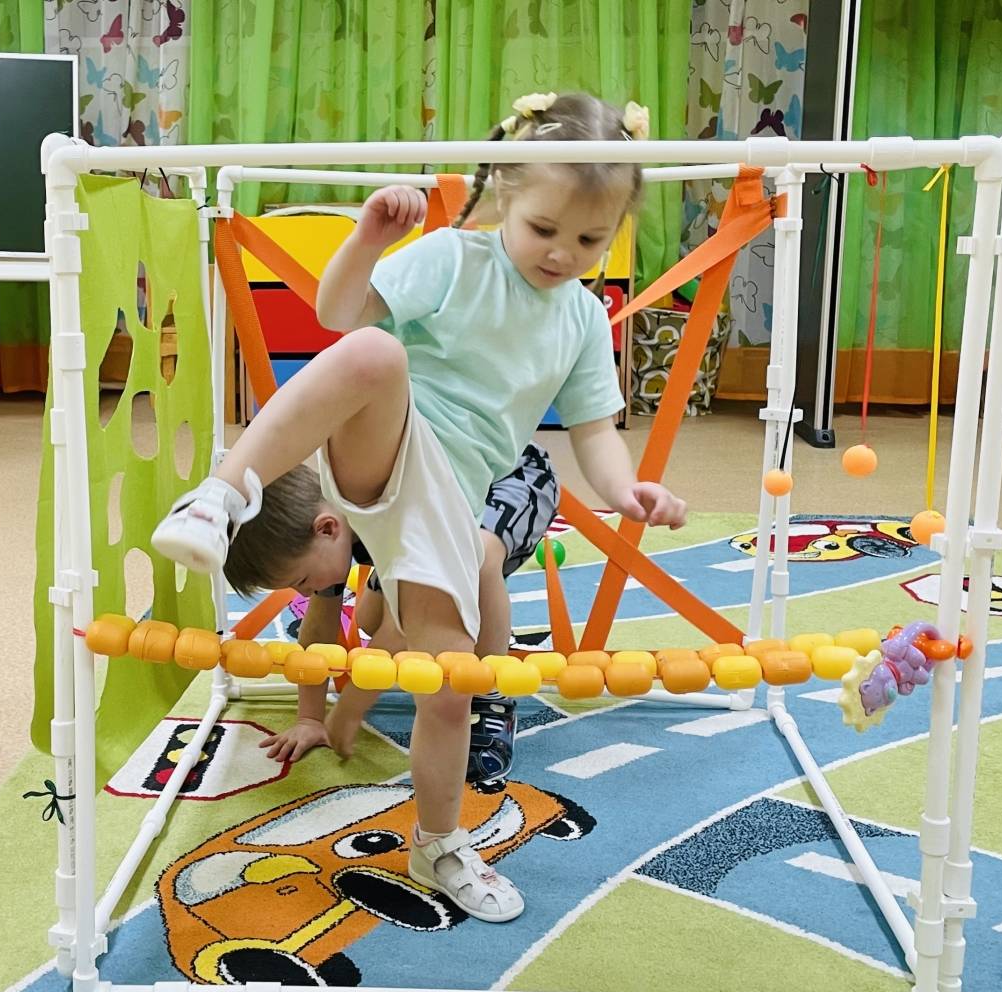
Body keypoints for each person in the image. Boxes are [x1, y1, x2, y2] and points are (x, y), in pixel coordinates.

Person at [151, 91, 685, 924]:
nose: (562, 253)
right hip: (390, 446)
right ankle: (222, 493)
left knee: (449, 687)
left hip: (446, 508)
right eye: (544, 228)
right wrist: (368, 238)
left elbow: (594, 432)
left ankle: (438, 842)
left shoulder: (584, 318)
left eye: (590, 240)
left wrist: (626, 492)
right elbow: (337, 314)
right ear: (506, 192)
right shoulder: (454, 258)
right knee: (373, 351)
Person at [255, 444, 561, 782]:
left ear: (327, 529)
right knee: (369, 618)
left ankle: (490, 697)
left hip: (510, 474)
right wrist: (310, 719)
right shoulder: (334, 528)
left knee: (479, 557)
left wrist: (351, 705)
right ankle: (441, 599)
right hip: (434, 522)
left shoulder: (384, 507)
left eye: (301, 581)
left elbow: (402, 628)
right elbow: (318, 635)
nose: (301, 594)